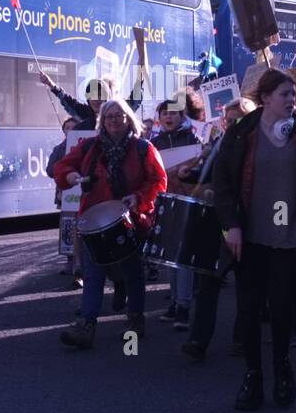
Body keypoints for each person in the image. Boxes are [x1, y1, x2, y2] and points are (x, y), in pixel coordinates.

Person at [213, 69, 296, 410]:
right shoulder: (240, 135)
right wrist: (230, 225)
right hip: (249, 237)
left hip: (289, 239)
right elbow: (223, 187)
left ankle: (281, 369)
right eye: (284, 95)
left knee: (281, 310)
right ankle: (253, 376)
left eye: (293, 95)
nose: (292, 100)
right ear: (265, 98)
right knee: (248, 310)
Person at [53, 99, 167, 348]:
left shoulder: (143, 148)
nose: (114, 120)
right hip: (94, 219)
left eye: (119, 116)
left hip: (130, 219)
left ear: (129, 119)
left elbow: (158, 181)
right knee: (93, 274)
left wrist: (138, 198)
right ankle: (87, 326)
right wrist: (71, 176)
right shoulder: (89, 147)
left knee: (132, 272)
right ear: (102, 122)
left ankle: (135, 320)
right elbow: (62, 166)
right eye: (109, 117)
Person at [179, 98, 254, 361]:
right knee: (207, 282)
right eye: (228, 119)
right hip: (215, 219)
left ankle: (242, 338)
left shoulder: (255, 145)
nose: (231, 124)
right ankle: (198, 339)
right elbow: (207, 173)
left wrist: (217, 191)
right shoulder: (220, 142)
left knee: (247, 284)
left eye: (237, 119)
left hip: (245, 221)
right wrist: (189, 174)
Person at [152, 93, 205, 329]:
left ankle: (184, 306)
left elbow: (201, 170)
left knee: (183, 257)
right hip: (166, 202)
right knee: (169, 256)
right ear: (160, 118)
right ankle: (175, 302)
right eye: (165, 113)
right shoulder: (155, 143)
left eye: (173, 113)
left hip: (188, 200)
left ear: (181, 116)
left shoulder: (193, 139)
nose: (168, 117)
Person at [38, 71, 140, 130]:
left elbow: (135, 99)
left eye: (100, 95)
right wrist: (51, 84)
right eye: (92, 96)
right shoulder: (85, 115)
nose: (96, 100)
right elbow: (67, 100)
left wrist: (141, 75)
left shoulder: (121, 111)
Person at [47, 117, 81, 285]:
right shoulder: (59, 149)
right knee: (67, 226)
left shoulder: (84, 145)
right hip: (65, 193)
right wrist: (63, 169)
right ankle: (70, 261)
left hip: (82, 193)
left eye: (73, 128)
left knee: (81, 227)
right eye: (67, 127)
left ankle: (79, 264)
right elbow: (49, 170)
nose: (70, 130)